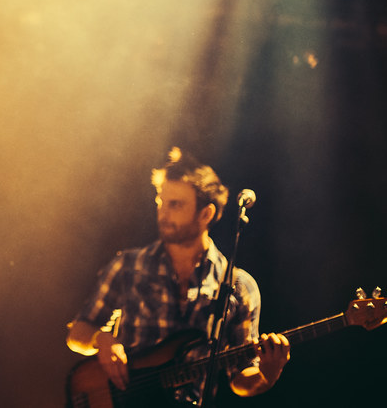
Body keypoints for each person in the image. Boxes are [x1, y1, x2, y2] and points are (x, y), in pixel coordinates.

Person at [65, 148, 290, 405]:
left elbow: (241, 379)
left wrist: (268, 375)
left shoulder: (238, 286)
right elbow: (78, 334)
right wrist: (101, 339)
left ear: (206, 214)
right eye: (161, 202)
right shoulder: (128, 266)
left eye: (176, 204)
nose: (163, 212)